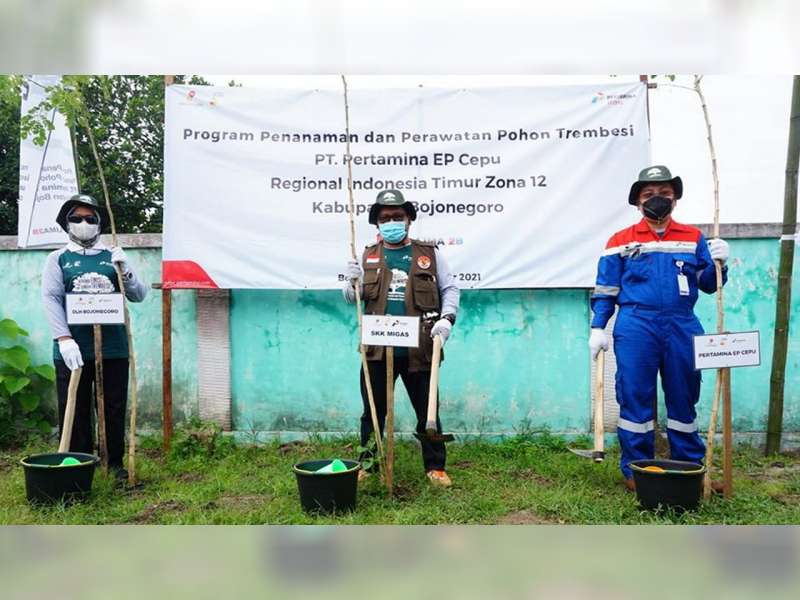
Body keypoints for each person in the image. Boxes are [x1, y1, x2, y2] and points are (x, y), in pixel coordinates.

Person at [588, 166, 730, 491]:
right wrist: (598, 326)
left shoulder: (693, 238)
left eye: (665, 194)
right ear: (638, 202)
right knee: (635, 396)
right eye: (649, 194)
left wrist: (720, 261)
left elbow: (709, 284)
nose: (658, 199)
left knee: (684, 397)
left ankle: (690, 469)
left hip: (683, 324)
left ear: (675, 200)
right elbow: (606, 289)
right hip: (637, 325)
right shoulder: (619, 241)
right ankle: (637, 471)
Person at [343, 189, 460, 487]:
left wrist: (446, 320)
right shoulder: (367, 254)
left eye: (398, 217)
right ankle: (367, 463)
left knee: (427, 410)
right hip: (377, 349)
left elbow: (450, 289)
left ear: (408, 220)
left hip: (420, 348)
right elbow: (352, 298)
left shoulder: (428, 254)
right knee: (372, 412)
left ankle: (435, 467)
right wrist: (351, 281)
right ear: (377, 223)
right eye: (385, 218)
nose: (392, 221)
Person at [42, 194, 148, 480]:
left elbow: (138, 295)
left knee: (113, 407)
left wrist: (125, 271)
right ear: (67, 224)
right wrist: (63, 338)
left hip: (113, 347)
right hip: (73, 349)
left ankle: (113, 464)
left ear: (99, 223)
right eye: (76, 218)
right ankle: (79, 464)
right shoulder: (58, 259)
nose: (84, 223)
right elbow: (51, 299)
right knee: (75, 409)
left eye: (90, 218)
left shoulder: (112, 257)